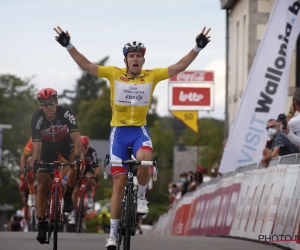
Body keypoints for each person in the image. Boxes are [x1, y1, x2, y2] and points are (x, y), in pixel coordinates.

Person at [53, 25, 211, 248]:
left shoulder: (151, 75)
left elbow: (179, 66)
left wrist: (197, 47)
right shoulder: (114, 73)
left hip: (139, 131)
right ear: (126, 60)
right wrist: (68, 45)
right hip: (118, 132)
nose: (135, 60)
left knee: (145, 156)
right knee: (118, 184)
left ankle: (142, 196)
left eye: (139, 56)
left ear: (143, 61)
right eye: (131, 56)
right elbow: (86, 65)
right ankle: (113, 236)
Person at [31, 87, 84, 244]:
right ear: (40, 105)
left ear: (57, 102)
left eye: (52, 103)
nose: (49, 107)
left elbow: (76, 139)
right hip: (45, 148)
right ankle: (41, 224)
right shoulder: (36, 117)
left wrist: (78, 158)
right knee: (41, 186)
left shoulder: (65, 113)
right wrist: (35, 162)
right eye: (45, 104)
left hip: (64, 143)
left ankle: (68, 194)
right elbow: (37, 145)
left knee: (79, 165)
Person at [69, 135, 100, 224]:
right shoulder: (75, 151)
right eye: (81, 147)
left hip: (88, 168)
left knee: (89, 178)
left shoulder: (92, 152)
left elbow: (96, 166)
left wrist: (96, 177)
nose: (83, 149)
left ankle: (89, 195)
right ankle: (73, 212)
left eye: (85, 147)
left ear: (88, 146)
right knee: (75, 191)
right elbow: (71, 166)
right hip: (79, 169)